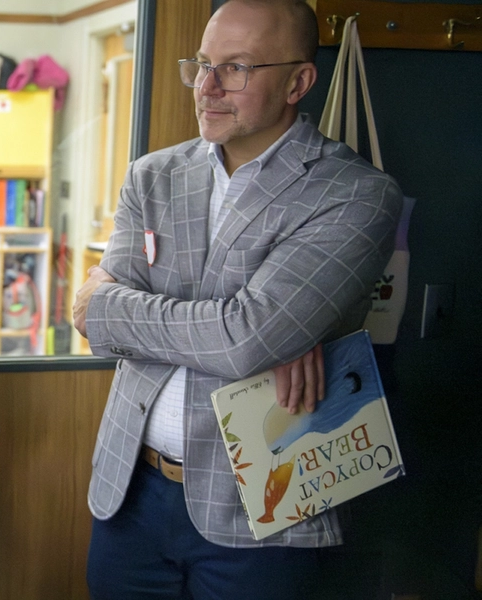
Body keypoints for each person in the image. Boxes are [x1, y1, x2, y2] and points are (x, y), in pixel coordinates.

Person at [72, 1, 403, 598]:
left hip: (265, 499)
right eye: (201, 64)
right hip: (131, 492)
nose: (207, 86)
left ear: (298, 82)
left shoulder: (357, 194)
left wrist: (123, 308)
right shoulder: (152, 175)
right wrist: (251, 332)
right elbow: (95, 322)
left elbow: (246, 338)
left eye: (236, 68)